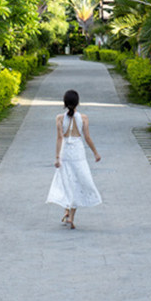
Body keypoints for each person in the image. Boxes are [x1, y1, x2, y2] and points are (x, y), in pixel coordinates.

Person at [46, 89, 101, 229]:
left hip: (65, 153)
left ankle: (66, 210)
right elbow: (87, 138)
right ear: (78, 103)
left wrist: (57, 157)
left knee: (66, 181)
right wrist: (95, 153)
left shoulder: (59, 118)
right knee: (77, 182)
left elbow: (59, 138)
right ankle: (71, 216)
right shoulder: (83, 118)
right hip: (78, 153)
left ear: (64, 103)